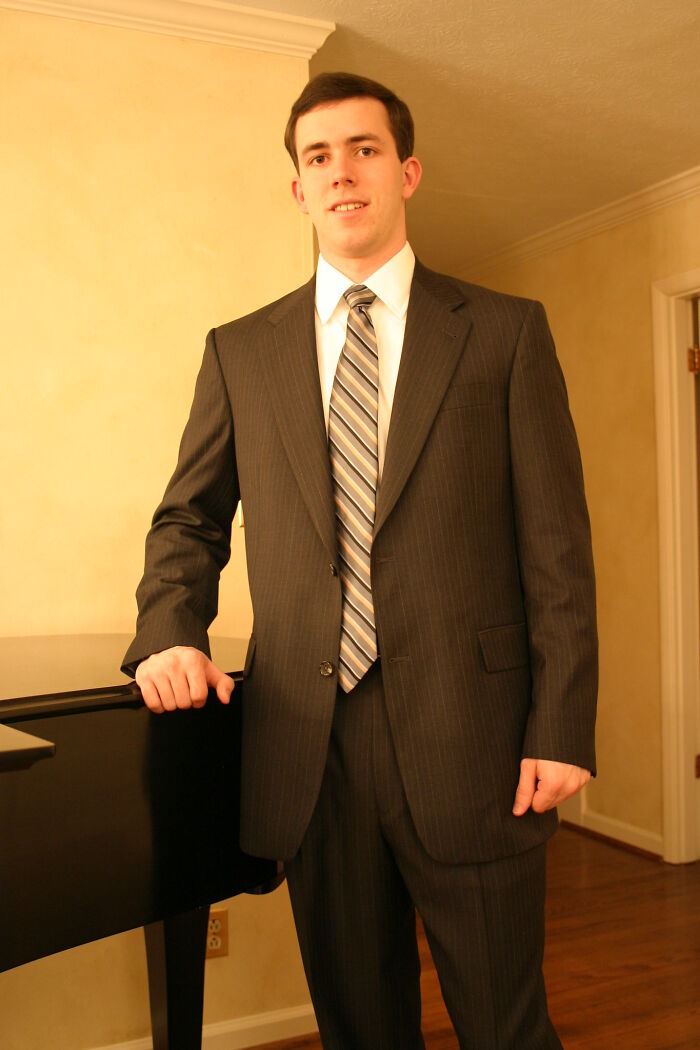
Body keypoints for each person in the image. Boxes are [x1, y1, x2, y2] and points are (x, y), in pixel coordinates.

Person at [123, 71, 597, 1049]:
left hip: (479, 746)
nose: (342, 172)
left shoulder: (505, 334)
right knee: (359, 1030)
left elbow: (557, 553)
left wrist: (562, 724)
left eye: (364, 149)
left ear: (407, 171)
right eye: (317, 156)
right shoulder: (240, 352)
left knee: (507, 1027)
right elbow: (188, 522)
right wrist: (169, 631)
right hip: (308, 752)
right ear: (296, 189)